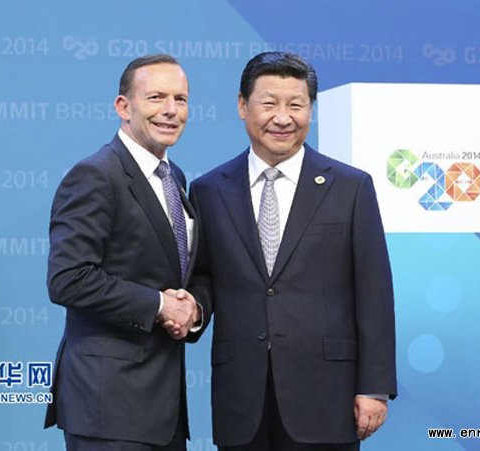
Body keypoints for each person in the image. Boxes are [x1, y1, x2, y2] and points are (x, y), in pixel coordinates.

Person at [188, 52, 397, 451]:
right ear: (242, 106)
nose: (282, 117)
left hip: (327, 397)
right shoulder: (209, 190)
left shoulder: (350, 188)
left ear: (310, 111)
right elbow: (203, 277)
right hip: (241, 399)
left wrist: (375, 387)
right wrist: (191, 310)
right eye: (269, 103)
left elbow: (374, 291)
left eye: (296, 105)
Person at [45, 54, 203, 451]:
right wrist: (159, 305)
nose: (170, 110)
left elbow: (176, 274)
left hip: (162, 409)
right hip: (108, 408)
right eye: (156, 97)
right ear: (123, 107)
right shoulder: (96, 174)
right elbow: (68, 278)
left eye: (180, 99)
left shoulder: (174, 177)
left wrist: (192, 308)